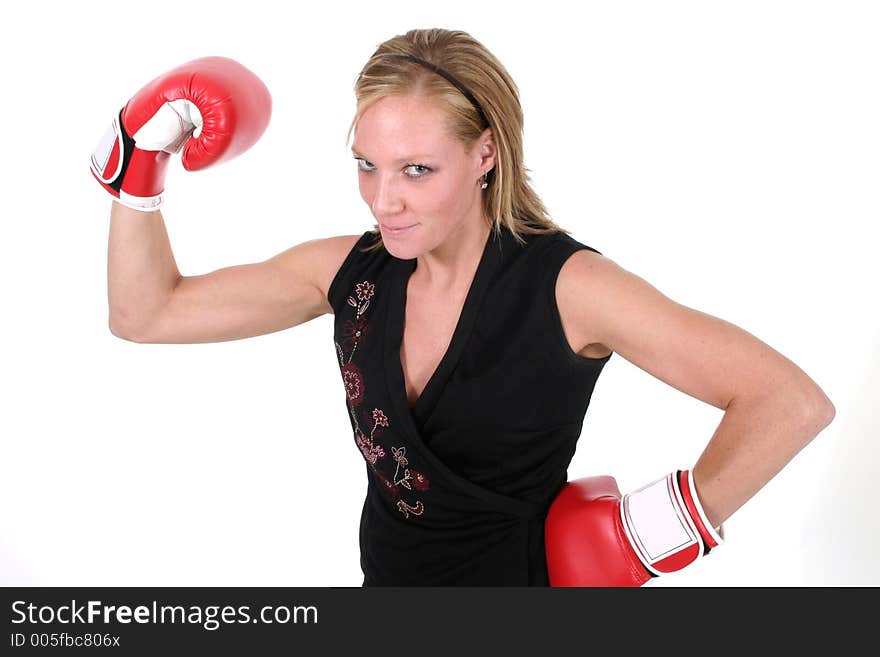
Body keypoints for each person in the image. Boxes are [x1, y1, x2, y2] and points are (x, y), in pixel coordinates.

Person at [93, 29, 835, 587]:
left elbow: (788, 401)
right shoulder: (350, 273)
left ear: (485, 154)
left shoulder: (569, 287)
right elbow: (146, 313)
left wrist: (654, 533)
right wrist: (139, 162)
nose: (385, 198)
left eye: (418, 169)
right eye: (366, 165)